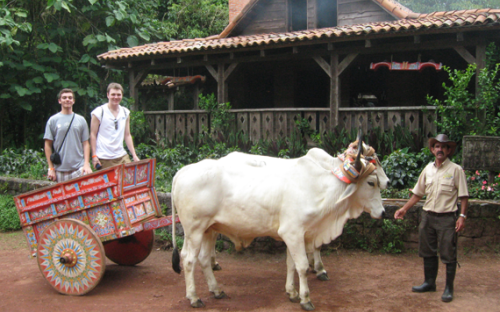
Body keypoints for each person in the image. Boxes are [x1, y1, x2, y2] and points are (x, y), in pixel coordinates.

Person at [395, 134, 469, 303]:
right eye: (437, 146)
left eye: (443, 147)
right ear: (432, 149)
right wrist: (404, 209)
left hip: (447, 219)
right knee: (427, 251)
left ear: (449, 150)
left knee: (448, 253)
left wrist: (462, 217)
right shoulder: (427, 169)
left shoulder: (456, 170)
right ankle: (429, 283)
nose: (440, 149)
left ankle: (449, 288)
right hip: (428, 217)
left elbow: (464, 197)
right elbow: (418, 194)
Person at [44, 89, 92, 182]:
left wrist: (86, 164)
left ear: (73, 101)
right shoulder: (53, 120)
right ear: (59, 101)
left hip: (79, 168)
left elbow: (86, 144)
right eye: (64, 97)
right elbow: (47, 145)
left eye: (70, 98)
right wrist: (51, 168)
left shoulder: (81, 120)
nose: (67, 100)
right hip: (60, 169)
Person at [90, 82, 140, 169]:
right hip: (104, 157)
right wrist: (94, 156)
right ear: (108, 95)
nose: (116, 97)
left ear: (122, 96)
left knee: (128, 180)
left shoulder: (125, 112)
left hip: (121, 155)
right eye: (113, 94)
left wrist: (134, 155)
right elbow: (93, 134)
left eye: (118, 95)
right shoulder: (99, 112)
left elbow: (127, 135)